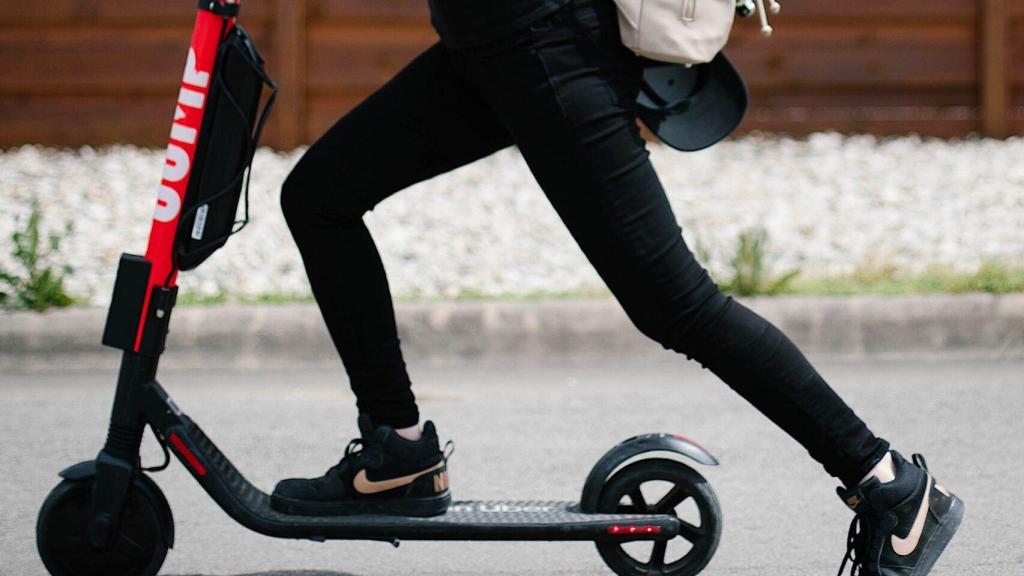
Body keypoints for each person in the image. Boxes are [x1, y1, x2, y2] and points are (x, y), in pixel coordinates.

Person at [272, 0, 964, 573]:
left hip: (548, 41)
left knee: (677, 305)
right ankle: (399, 453)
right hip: (483, 43)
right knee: (320, 198)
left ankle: (891, 484)